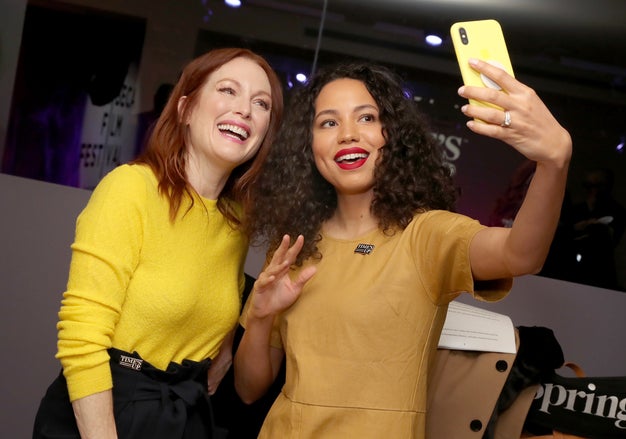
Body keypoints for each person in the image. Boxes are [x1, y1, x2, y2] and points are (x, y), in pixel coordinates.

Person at [233, 58, 572, 438]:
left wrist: (553, 162)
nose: (347, 134)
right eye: (328, 122)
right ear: (308, 146)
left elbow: (521, 254)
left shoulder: (425, 235)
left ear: (392, 134)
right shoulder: (294, 245)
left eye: (366, 117)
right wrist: (260, 317)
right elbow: (249, 390)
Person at [32, 47, 284, 439]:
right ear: (185, 108)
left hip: (183, 414)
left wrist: (228, 344)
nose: (245, 110)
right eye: (228, 90)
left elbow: (214, 300)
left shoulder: (234, 221)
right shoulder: (131, 189)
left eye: (261, 102)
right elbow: (81, 338)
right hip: (106, 411)